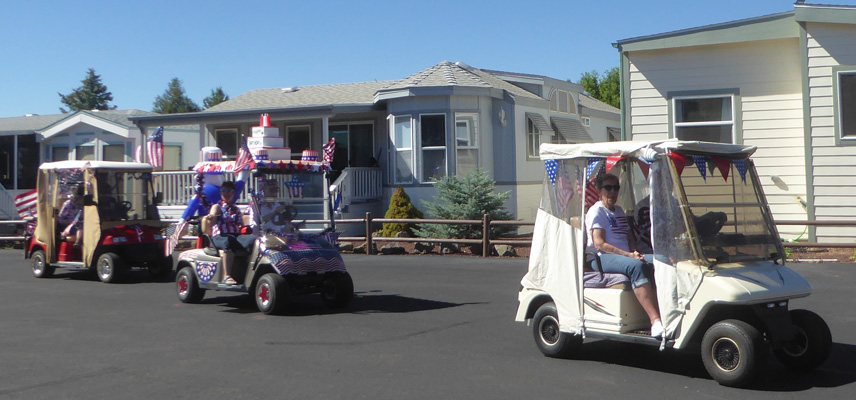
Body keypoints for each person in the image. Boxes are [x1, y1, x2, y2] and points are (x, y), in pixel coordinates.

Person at [585, 173, 663, 338]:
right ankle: (655, 320)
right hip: (600, 258)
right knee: (636, 266)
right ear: (600, 190)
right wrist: (629, 256)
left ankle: (667, 312)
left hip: (624, 255)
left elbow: (630, 238)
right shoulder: (596, 211)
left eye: (616, 188)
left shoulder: (619, 211)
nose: (612, 192)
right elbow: (599, 244)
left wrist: (635, 252)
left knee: (660, 261)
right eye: (608, 188)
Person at [205, 181, 253, 285]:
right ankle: (226, 276)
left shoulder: (236, 209)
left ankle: (250, 274)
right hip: (219, 236)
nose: (226, 193)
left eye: (229, 191)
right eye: (224, 190)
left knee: (253, 239)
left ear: (233, 193)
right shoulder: (217, 207)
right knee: (228, 240)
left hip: (235, 236)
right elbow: (212, 215)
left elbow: (241, 225)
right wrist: (211, 217)